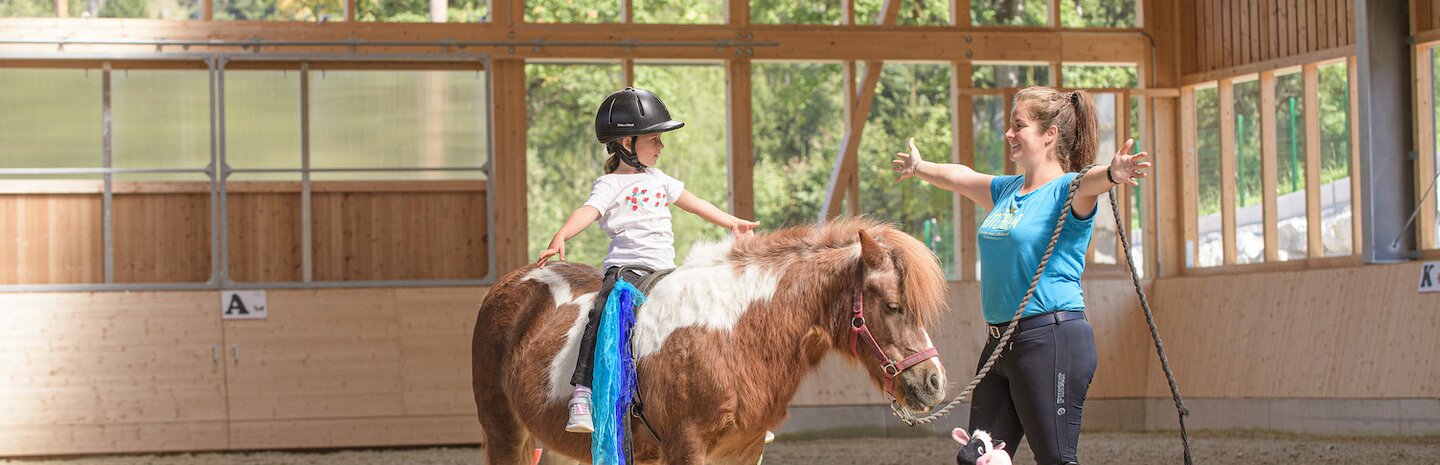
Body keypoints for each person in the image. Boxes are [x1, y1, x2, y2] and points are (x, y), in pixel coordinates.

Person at [891, 87, 1149, 465]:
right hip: (1000, 344)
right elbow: (962, 177)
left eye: (1019, 125)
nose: (1009, 134)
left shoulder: (1068, 189)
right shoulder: (1007, 191)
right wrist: (920, 167)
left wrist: (1113, 173)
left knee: (1056, 459)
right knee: (976, 459)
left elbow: (1092, 181)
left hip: (1051, 340)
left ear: (1050, 135)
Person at [535, 87, 759, 434]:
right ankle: (583, 392)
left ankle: (735, 396)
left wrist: (731, 222)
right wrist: (563, 233)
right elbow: (588, 211)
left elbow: (694, 202)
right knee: (599, 316)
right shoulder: (609, 185)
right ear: (627, 144)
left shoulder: (660, 180)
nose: (660, 146)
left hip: (666, 272)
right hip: (625, 271)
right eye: (654, 139)